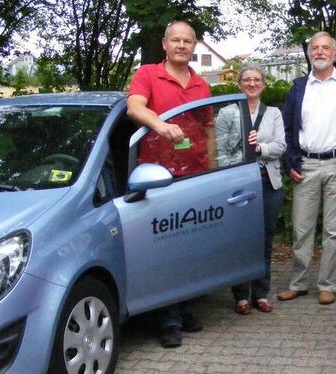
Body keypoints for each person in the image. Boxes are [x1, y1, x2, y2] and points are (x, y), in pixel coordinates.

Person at [126, 20, 209, 348]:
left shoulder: (202, 84)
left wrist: (215, 167)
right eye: (176, 40)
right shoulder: (148, 74)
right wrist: (160, 125)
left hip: (196, 174)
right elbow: (134, 108)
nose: (182, 46)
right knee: (167, 248)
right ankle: (168, 320)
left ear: (193, 46)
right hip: (159, 177)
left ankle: (185, 308)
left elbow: (209, 129)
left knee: (193, 246)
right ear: (164, 44)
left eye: (188, 41)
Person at [277, 31, 336, 305]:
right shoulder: (298, 87)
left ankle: (327, 285)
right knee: (301, 228)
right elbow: (286, 128)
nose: (319, 52)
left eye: (325, 48)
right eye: (314, 48)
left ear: (335, 54)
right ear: (309, 54)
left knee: (332, 230)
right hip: (305, 164)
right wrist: (289, 161)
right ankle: (298, 283)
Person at [214, 63, 286, 315]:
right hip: (238, 183)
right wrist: (242, 143)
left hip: (267, 182)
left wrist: (259, 149)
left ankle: (261, 293)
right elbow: (220, 150)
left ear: (263, 84)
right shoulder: (226, 112)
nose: (252, 83)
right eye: (247, 79)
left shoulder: (273, 112)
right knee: (239, 238)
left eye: (257, 79)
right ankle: (241, 296)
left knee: (264, 239)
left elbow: (280, 146)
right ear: (239, 83)